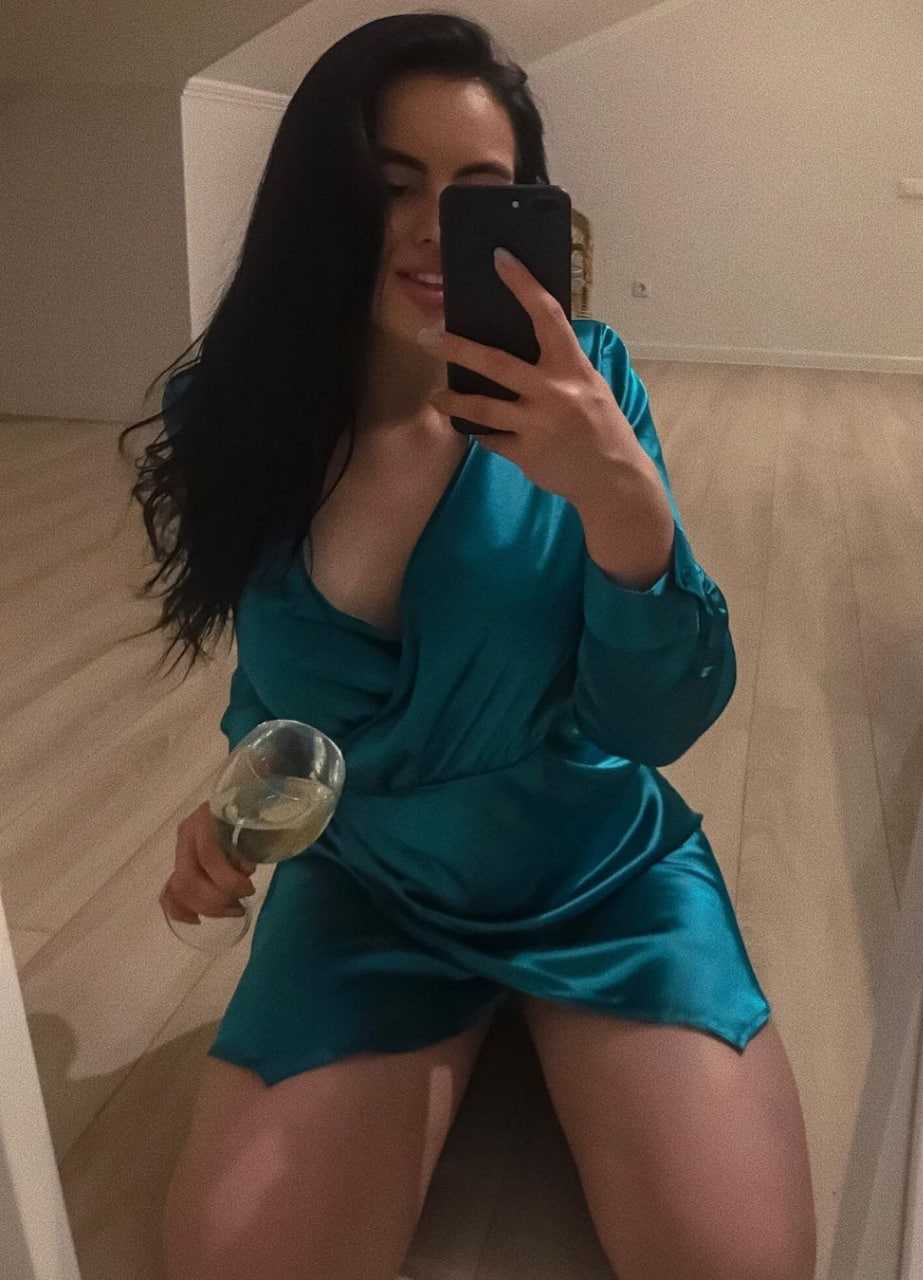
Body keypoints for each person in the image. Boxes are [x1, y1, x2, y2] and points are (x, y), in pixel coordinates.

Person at [119, 13, 816, 1280]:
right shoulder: (240, 406)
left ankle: (540, 1024)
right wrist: (236, 803)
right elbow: (276, 679)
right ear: (319, 196)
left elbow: (655, 720)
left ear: (528, 210)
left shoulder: (588, 388)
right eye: (393, 185)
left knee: (738, 1263)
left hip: (595, 873)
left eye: (477, 193)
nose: (435, 231)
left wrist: (621, 501)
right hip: (370, 883)